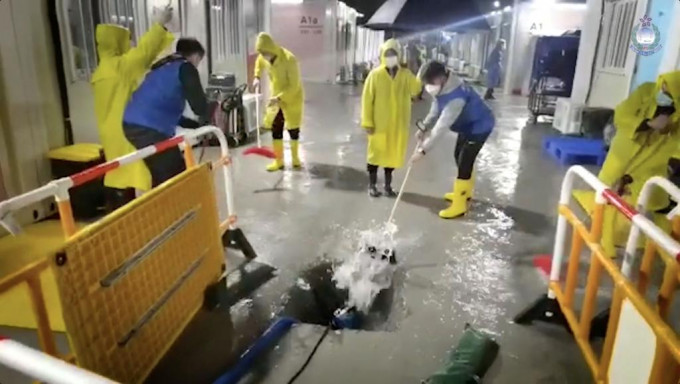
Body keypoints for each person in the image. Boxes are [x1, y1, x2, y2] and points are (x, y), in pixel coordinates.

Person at [574, 71, 680, 257]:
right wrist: (648, 124)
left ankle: (668, 252)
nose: (664, 92)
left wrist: (674, 162)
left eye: (670, 92)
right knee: (607, 195)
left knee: (656, 203)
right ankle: (605, 245)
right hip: (623, 154)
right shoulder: (646, 91)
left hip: (653, 161)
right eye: (664, 87)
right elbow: (622, 114)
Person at [92, 6, 175, 210]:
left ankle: (119, 208)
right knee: (134, 171)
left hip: (110, 131)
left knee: (120, 170)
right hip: (125, 131)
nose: (130, 44)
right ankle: (131, 216)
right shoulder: (119, 68)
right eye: (126, 39)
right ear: (117, 42)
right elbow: (144, 53)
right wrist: (159, 25)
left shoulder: (103, 69)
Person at [410, 61, 495, 219]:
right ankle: (464, 192)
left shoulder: (456, 97)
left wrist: (423, 151)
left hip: (479, 126)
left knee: (465, 161)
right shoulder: (443, 87)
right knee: (458, 155)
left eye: (430, 82)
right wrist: (424, 127)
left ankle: (459, 205)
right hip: (466, 125)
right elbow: (436, 108)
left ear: (441, 78)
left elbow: (441, 128)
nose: (428, 86)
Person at [122, 38, 209, 187]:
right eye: (199, 61)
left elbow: (166, 110)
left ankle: (162, 206)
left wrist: (196, 126)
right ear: (195, 56)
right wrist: (210, 114)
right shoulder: (186, 67)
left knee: (163, 172)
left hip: (133, 123)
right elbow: (200, 107)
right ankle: (172, 208)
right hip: (147, 127)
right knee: (173, 173)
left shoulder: (164, 67)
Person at [361, 39, 422, 197]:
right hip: (378, 123)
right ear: (382, 55)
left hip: (397, 124)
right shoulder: (375, 75)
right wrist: (368, 122)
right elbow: (367, 99)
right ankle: (372, 185)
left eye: (393, 54)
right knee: (375, 154)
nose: (390, 57)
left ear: (398, 55)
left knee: (391, 155)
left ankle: (388, 187)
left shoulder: (405, 75)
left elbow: (416, 91)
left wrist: (415, 70)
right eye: (387, 54)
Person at [253, 33, 304, 172]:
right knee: (276, 128)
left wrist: (281, 97)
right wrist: (256, 76)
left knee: (293, 129)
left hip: (292, 98)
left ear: (270, 49)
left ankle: (295, 159)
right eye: (261, 53)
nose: (263, 56)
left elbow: (294, 85)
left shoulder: (289, 59)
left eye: (264, 52)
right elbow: (259, 62)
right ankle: (279, 161)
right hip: (275, 98)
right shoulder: (264, 57)